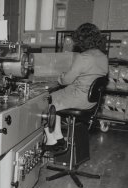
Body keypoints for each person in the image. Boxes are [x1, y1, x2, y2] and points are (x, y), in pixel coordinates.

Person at [44, 23, 108, 151]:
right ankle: (58, 136)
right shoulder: (103, 57)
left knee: (45, 102)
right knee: (54, 97)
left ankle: (51, 140)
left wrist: (60, 77)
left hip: (79, 99)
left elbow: (66, 80)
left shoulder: (83, 57)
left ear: (81, 39)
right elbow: (88, 78)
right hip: (91, 100)